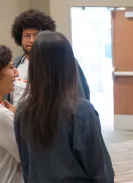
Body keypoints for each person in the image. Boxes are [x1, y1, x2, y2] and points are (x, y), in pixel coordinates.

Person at [13, 31, 114, 183]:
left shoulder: (22, 111)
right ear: (68, 63)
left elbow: (26, 165)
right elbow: (100, 170)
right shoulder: (82, 111)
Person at [4, 9, 90, 106]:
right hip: (17, 119)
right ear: (20, 38)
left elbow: (80, 96)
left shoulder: (65, 62)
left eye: (36, 35)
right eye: (27, 36)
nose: (31, 40)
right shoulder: (14, 65)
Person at [0, 45, 23, 183]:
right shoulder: (3, 115)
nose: (16, 73)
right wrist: (16, 118)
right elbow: (27, 154)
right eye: (11, 67)